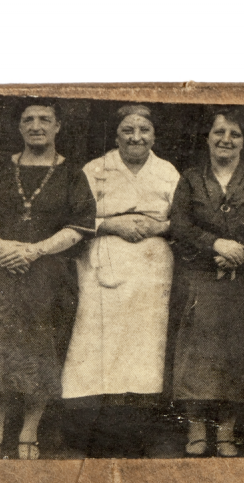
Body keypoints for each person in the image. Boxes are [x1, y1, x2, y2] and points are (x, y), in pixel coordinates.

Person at [0, 102, 97, 460]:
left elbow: (80, 226)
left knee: (42, 348)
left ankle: (28, 432)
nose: (36, 126)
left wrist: (35, 250)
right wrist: (2, 246)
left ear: (57, 127)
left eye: (44, 120)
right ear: (19, 128)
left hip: (48, 275)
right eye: (28, 120)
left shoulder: (72, 175)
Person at [59, 105, 180, 456]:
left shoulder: (167, 171)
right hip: (102, 266)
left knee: (143, 349)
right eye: (128, 130)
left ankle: (135, 434)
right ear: (116, 135)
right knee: (96, 345)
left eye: (144, 130)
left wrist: (158, 227)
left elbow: (183, 218)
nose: (136, 137)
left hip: (151, 269)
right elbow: (74, 216)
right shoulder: (95, 170)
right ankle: (89, 434)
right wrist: (112, 224)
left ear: (154, 136)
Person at [169, 110, 244, 456]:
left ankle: (226, 432)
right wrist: (215, 245)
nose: (226, 139)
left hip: (243, 280)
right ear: (207, 137)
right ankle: (197, 430)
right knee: (197, 353)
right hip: (201, 276)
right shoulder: (191, 179)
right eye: (219, 132)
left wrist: (242, 251)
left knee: (237, 355)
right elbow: (180, 225)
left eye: (235, 133)